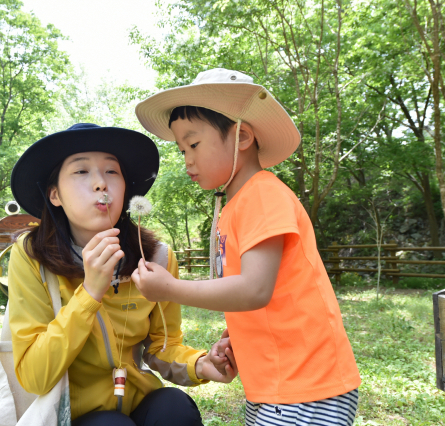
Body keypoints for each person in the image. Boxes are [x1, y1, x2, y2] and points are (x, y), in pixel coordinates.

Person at [132, 69, 361, 426]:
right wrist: (237, 337)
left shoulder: (263, 194)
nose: (186, 159)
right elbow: (260, 296)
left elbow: (255, 288)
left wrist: (170, 288)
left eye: (193, 145)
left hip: (304, 384)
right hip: (277, 382)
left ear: (242, 136)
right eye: (181, 150)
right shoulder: (235, 205)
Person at [7, 123, 235, 426]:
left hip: (137, 400)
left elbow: (161, 347)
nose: (101, 183)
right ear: (55, 195)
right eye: (81, 171)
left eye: (112, 172)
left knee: (175, 409)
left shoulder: (156, 257)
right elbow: (34, 376)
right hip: (72, 414)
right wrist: (89, 293)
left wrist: (202, 364)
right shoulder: (32, 256)